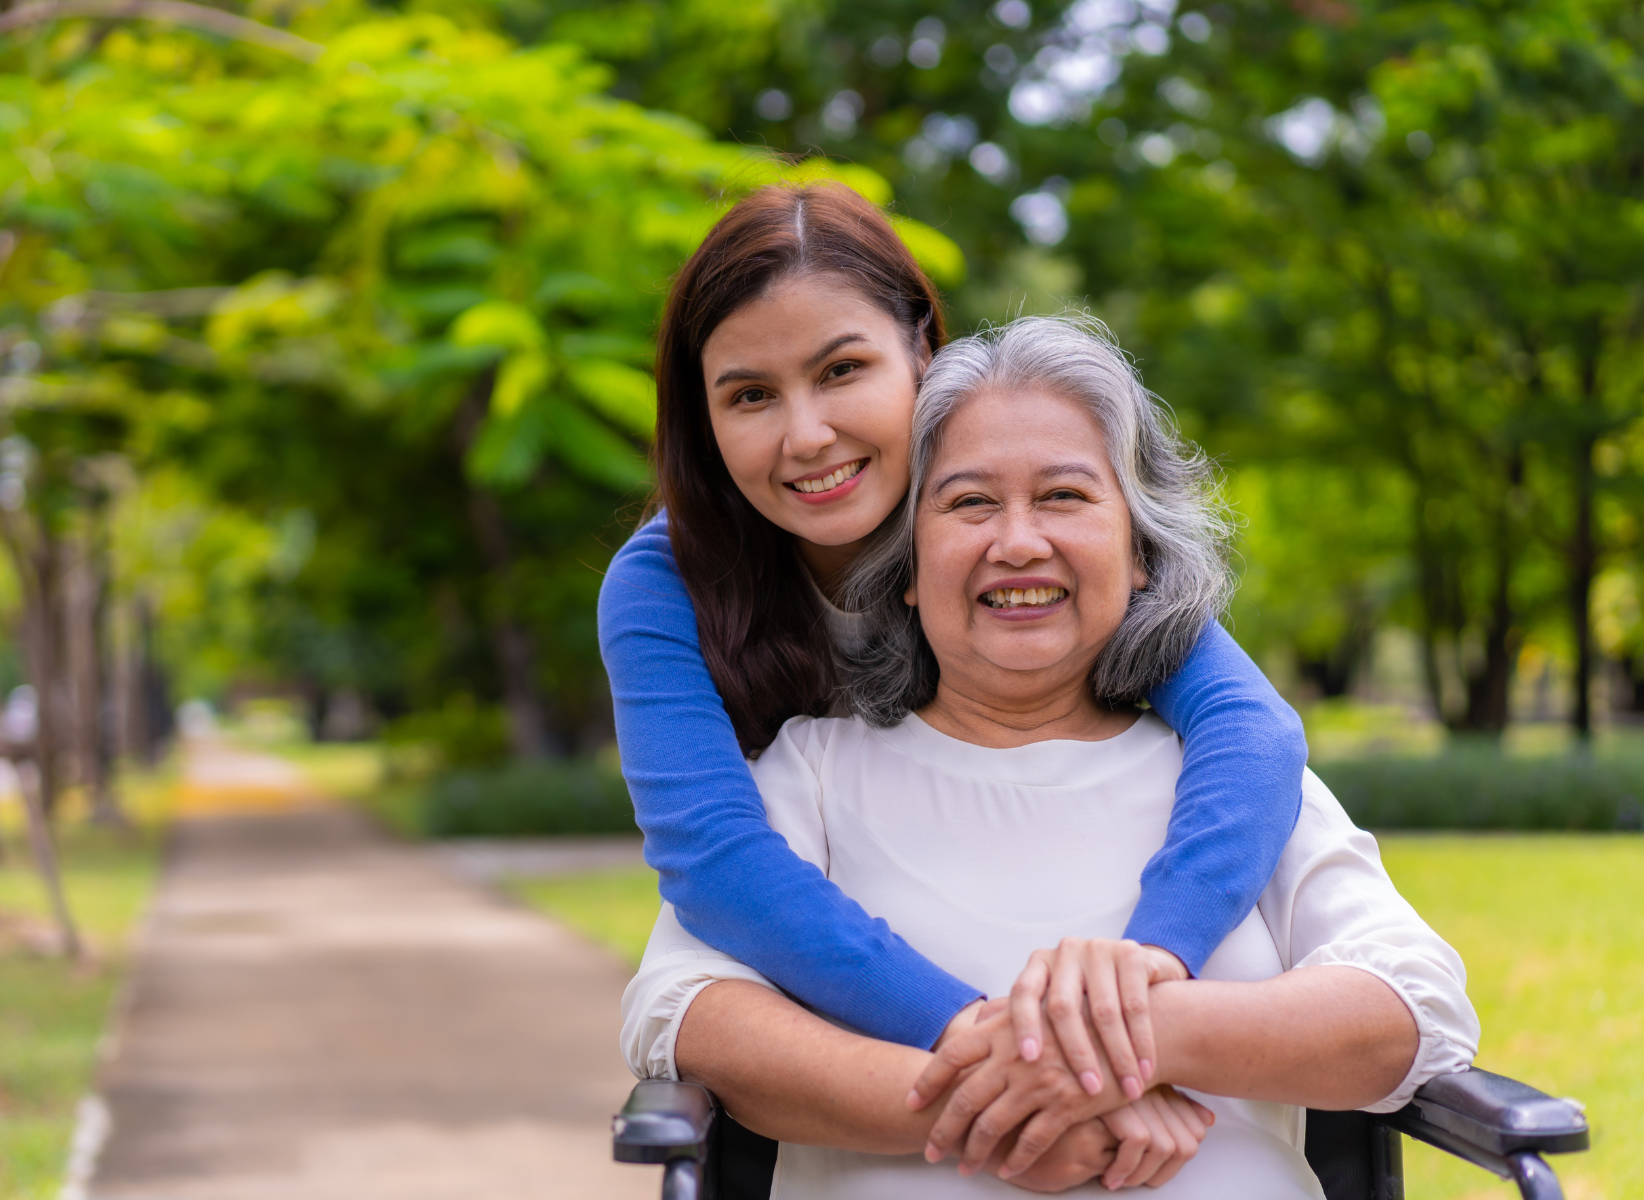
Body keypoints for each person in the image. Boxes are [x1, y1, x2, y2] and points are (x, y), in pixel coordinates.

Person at [620, 316, 1479, 1196]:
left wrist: (1141, 1029)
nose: (1018, 542)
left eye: (1065, 496)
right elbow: (685, 1011)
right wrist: (1005, 1114)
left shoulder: (1230, 779)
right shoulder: (814, 772)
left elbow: (1417, 1006)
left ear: (1139, 550)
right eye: (969, 503)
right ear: (907, 566)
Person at [596, 182, 1309, 1165]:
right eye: (751, 395)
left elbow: (1252, 732)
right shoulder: (665, 581)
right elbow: (719, 863)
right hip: (820, 1007)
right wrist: (1002, 1049)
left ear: (921, 357)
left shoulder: (1022, 527)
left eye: (840, 370)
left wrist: (1149, 970)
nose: (806, 435)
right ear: (703, 420)